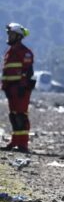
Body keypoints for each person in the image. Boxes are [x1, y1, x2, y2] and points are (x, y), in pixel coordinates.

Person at [2, 23, 34, 152]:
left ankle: (23, 144)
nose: (9, 37)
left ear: (18, 36)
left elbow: (27, 71)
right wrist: (4, 87)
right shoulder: (9, 52)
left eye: (11, 34)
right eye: (9, 34)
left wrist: (22, 86)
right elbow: (6, 71)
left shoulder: (25, 52)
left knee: (21, 116)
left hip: (21, 89)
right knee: (13, 116)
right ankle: (14, 141)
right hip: (11, 89)